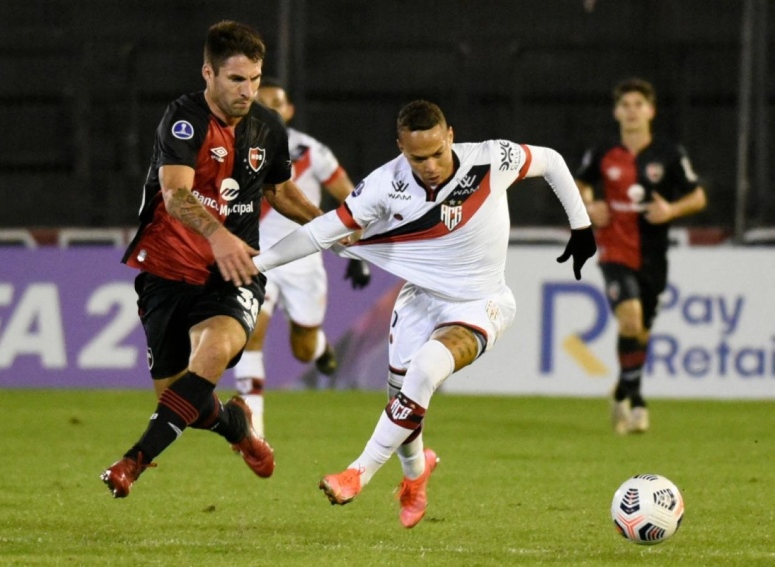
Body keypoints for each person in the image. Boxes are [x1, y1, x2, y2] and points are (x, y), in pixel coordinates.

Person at [251, 100, 597, 528]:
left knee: (426, 370)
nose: (431, 165)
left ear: (450, 135)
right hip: (418, 301)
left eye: (438, 152)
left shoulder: (491, 159)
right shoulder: (382, 184)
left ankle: (357, 472)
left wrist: (581, 227)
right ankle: (416, 476)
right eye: (418, 157)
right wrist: (255, 264)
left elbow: (552, 161)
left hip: (481, 302)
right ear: (401, 147)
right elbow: (322, 232)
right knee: (403, 404)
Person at [100, 20, 324, 498]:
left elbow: (279, 189)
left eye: (256, 79)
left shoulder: (269, 126)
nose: (248, 91)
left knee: (216, 353)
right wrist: (218, 234)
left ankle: (132, 462)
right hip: (167, 268)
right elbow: (176, 193)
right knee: (180, 398)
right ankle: (236, 426)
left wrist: (331, 225)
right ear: (209, 73)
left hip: (232, 273)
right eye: (237, 79)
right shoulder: (182, 120)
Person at [232, 78, 371, 436]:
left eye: (276, 103)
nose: (269, 109)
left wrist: (360, 254)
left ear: (289, 110)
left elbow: (350, 199)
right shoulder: (231, 143)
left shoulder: (311, 152)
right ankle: (254, 431)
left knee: (303, 348)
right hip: (254, 255)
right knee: (250, 334)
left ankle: (319, 346)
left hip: (302, 259)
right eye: (262, 103)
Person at [575, 78, 707, 435]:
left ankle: (622, 390)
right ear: (617, 111)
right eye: (626, 104)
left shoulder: (669, 154)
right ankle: (638, 405)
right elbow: (579, 183)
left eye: (639, 104)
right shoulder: (603, 152)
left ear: (651, 110)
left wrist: (671, 210)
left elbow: (697, 197)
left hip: (653, 255)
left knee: (641, 333)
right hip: (614, 250)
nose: (632, 110)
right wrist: (589, 205)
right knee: (630, 320)